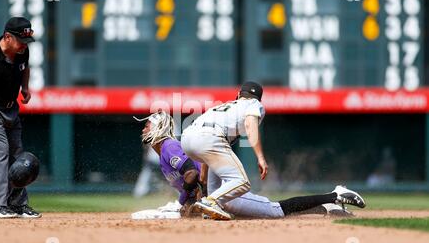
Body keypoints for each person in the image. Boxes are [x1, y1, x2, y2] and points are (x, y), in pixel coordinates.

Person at [181, 81, 365, 220]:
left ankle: (333, 198)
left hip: (188, 138)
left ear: (238, 94)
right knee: (242, 182)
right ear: (258, 99)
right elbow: (250, 124)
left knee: (228, 197)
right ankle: (210, 202)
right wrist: (260, 157)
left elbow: (203, 144)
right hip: (210, 140)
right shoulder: (253, 105)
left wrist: (203, 177)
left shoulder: (220, 108)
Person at [135, 110, 366, 220]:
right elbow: (197, 176)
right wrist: (186, 202)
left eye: (147, 125)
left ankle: (334, 195)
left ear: (159, 127)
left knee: (275, 210)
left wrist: (182, 202)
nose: (144, 128)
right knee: (260, 212)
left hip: (224, 194)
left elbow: (192, 174)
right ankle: (327, 208)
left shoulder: (168, 147)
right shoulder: (164, 150)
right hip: (217, 192)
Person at [0, 17, 41, 219]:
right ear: (7, 37)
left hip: (11, 109)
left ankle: (16, 204)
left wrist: (25, 87)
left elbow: (25, 68)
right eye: (21, 41)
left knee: (18, 156)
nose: (24, 46)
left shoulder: (22, 52)